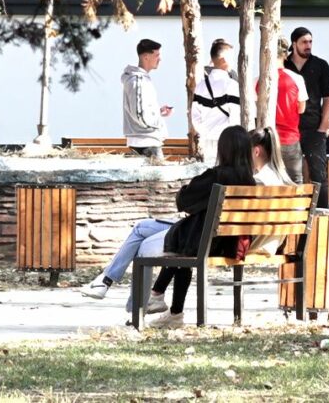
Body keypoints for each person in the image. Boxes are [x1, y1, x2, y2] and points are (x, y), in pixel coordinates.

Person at [80, 126, 257, 327]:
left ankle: (136, 310)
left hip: (197, 240)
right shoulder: (250, 183)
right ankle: (106, 281)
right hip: (222, 242)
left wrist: (190, 197)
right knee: (141, 227)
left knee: (143, 245)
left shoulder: (216, 176)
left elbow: (184, 200)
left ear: (223, 149)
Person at [285, 27, 329, 208]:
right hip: (288, 127)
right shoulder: (283, 65)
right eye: (304, 42)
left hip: (314, 127)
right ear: (294, 44)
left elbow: (328, 97)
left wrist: (323, 126)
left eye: (310, 42)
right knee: (288, 173)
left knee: (318, 174)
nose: (308, 45)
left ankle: (321, 213)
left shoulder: (321, 65)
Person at [258, 36, 308, 184]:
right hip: (290, 138)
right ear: (285, 55)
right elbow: (301, 109)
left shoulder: (258, 80)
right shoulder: (297, 78)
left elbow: (255, 109)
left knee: (267, 182)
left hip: (266, 140)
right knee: (295, 181)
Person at [192, 38, 241, 165]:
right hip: (228, 141)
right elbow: (236, 117)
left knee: (212, 172)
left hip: (207, 141)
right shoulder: (231, 85)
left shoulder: (200, 86)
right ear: (224, 59)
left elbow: (195, 117)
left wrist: (206, 132)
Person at [122, 39, 173, 161]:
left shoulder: (140, 79)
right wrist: (157, 124)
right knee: (157, 174)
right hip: (146, 143)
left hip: (145, 141)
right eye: (157, 55)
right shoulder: (138, 81)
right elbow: (138, 113)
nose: (160, 59)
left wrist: (158, 112)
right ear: (146, 57)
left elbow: (140, 109)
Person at [248, 127, 295, 256]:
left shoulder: (259, 181)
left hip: (255, 246)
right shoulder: (284, 181)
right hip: (273, 245)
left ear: (256, 151)